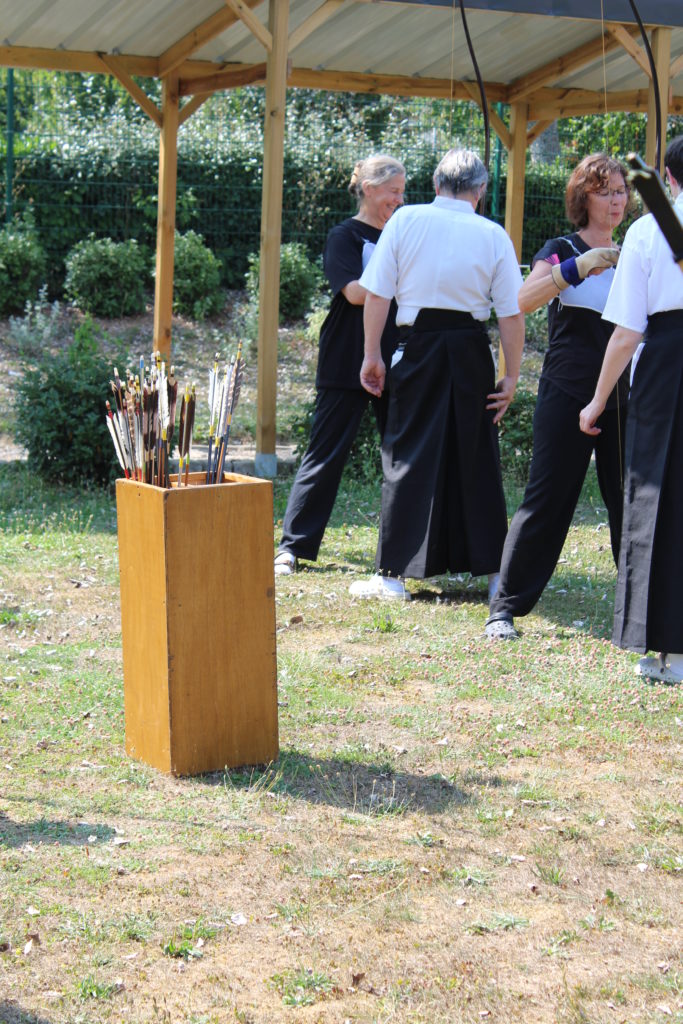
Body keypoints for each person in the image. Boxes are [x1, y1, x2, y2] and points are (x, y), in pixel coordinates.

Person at [348, 148, 525, 601]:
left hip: (418, 344)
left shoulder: (405, 222)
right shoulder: (492, 233)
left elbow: (377, 296)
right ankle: (494, 577)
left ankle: (391, 577)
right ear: (481, 190)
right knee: (476, 455)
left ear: (434, 183)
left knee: (408, 451)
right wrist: (511, 376)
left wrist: (373, 355)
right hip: (469, 350)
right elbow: (510, 314)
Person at [486, 153, 630, 639]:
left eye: (621, 191)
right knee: (546, 499)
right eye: (605, 191)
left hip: (626, 394)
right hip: (568, 390)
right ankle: (503, 607)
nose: (616, 201)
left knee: (631, 502)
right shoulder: (561, 248)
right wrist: (575, 268)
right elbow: (520, 301)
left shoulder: (637, 252)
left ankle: (643, 608)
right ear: (583, 197)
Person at [580, 136, 683, 684]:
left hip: (667, 359)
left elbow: (625, 333)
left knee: (659, 494)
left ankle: (667, 649)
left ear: (666, 179)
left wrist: (597, 400)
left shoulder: (647, 231)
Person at [274, 154, 406, 576]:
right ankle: (292, 547)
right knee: (325, 454)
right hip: (347, 358)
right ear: (368, 189)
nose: (399, 200)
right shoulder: (343, 236)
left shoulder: (405, 234)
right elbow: (352, 293)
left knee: (403, 457)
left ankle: (405, 554)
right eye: (393, 192)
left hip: (401, 356)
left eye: (402, 192)